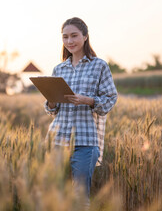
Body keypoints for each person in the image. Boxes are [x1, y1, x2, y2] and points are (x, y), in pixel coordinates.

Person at [44, 17, 118, 208]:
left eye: (74, 36)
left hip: (85, 142)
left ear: (85, 36)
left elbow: (110, 99)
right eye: (65, 37)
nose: (70, 41)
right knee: (56, 193)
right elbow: (51, 109)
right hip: (58, 139)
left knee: (80, 195)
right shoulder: (59, 68)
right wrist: (51, 100)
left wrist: (89, 100)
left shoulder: (99, 65)